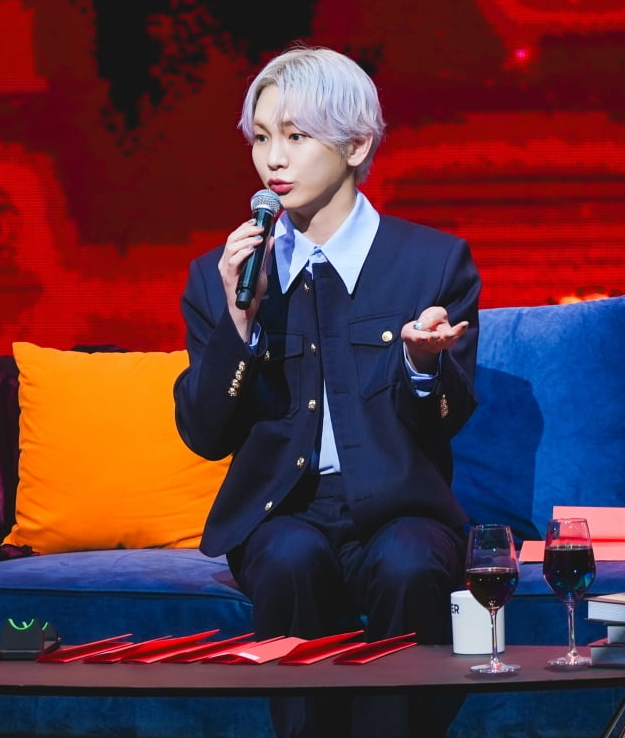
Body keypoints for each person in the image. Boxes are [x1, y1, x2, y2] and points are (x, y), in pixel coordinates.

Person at [173, 45, 481, 738]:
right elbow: (204, 434)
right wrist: (240, 323)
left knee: (410, 565)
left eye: (295, 136)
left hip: (400, 507)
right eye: (261, 138)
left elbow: (448, 417)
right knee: (290, 559)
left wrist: (423, 364)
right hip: (283, 512)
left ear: (355, 145)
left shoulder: (432, 262)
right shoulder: (221, 275)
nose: (273, 160)